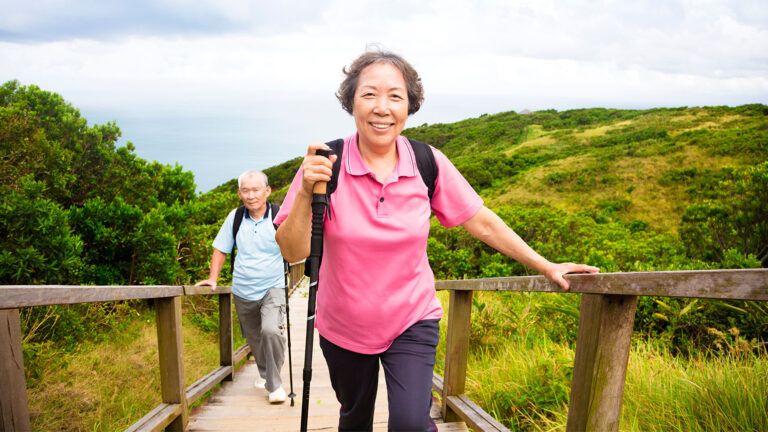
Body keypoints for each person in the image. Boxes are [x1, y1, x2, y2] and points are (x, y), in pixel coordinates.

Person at [274, 50, 599, 431]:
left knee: (412, 423)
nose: (382, 108)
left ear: (410, 106)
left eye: (395, 96)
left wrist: (545, 264)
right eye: (369, 95)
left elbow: (482, 222)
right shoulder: (325, 164)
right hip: (343, 323)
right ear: (351, 102)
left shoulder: (427, 163)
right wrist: (303, 193)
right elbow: (293, 250)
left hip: (411, 317)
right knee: (355, 418)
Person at [196, 170, 288, 404]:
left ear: (267, 191)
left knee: (271, 331)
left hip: (273, 286)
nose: (251, 195)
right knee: (255, 338)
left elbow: (295, 244)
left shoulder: (279, 216)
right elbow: (221, 249)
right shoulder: (235, 218)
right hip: (243, 289)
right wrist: (213, 278)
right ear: (239, 194)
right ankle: (267, 374)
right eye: (245, 190)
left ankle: (275, 386)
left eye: (256, 189)